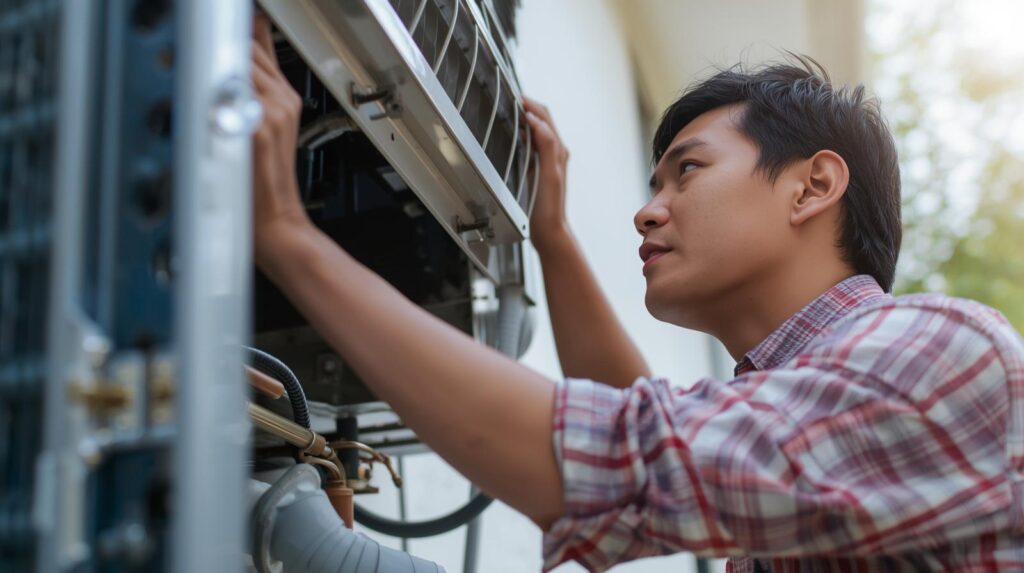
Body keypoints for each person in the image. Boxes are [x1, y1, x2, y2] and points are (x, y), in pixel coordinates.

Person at [249, 15, 1024, 573]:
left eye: (688, 170)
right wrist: (552, 239)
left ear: (813, 185)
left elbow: (622, 454)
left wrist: (287, 231)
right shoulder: (818, 409)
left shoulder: (936, 351)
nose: (648, 210)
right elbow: (647, 422)